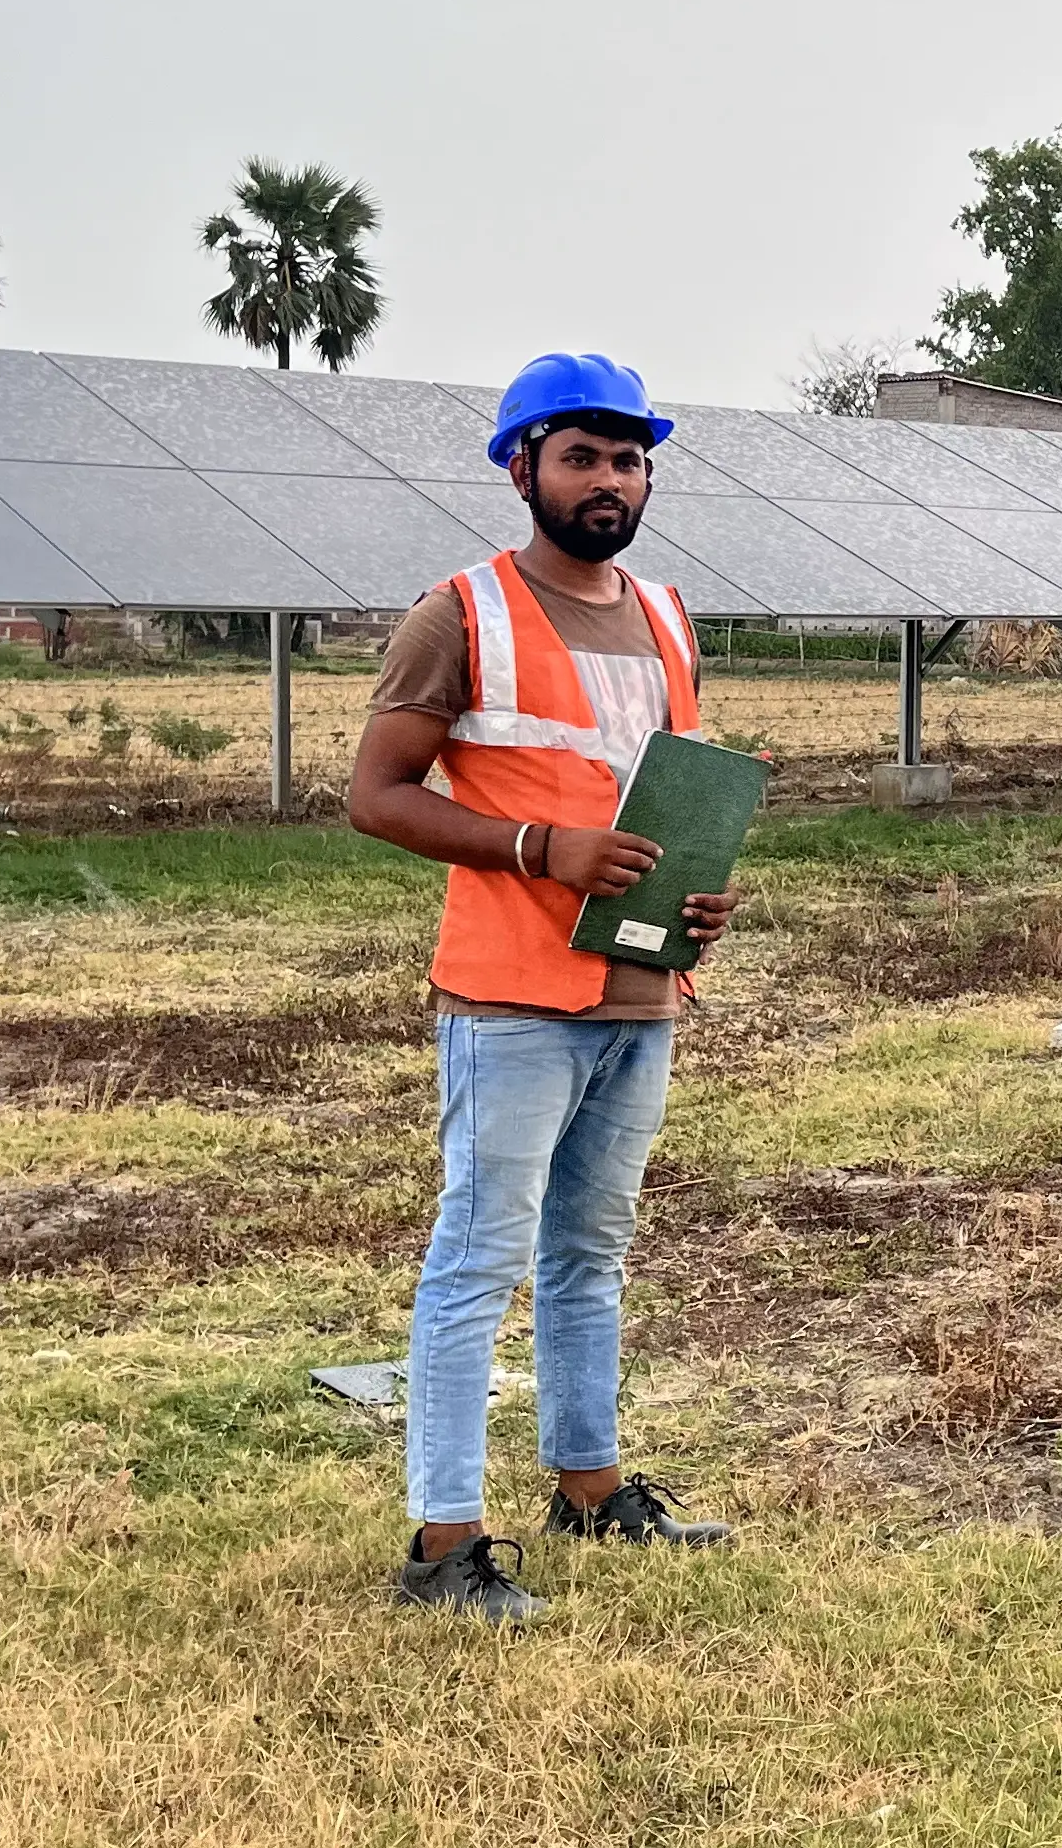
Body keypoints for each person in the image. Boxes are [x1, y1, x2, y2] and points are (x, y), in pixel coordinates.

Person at [347, 351, 739, 1624]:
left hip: (640, 997)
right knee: (480, 1258)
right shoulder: (460, 614)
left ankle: (589, 1486)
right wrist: (539, 851)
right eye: (581, 456)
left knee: (591, 1253)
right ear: (524, 469)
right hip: (511, 1001)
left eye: (629, 459)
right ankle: (444, 1545)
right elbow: (376, 797)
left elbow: (655, 797)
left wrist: (695, 897)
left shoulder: (671, 617)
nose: (610, 480)